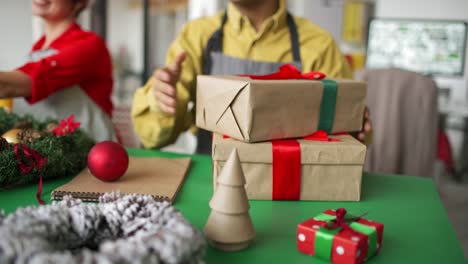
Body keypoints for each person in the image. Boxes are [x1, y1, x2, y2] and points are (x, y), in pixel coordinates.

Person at [132, 0, 371, 153]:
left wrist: (354, 129)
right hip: (211, 178)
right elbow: (153, 139)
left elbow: (347, 135)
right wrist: (162, 99)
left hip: (289, 184)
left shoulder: (319, 44)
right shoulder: (196, 36)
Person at [0, 0, 115, 141]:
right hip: (50, 152)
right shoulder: (37, 48)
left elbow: (14, 84)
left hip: (92, 153)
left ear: (79, 2)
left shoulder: (89, 45)